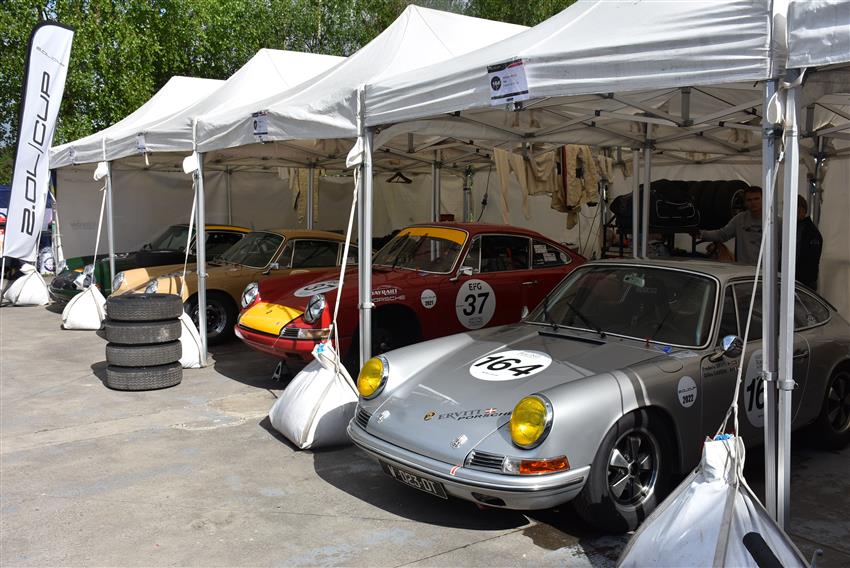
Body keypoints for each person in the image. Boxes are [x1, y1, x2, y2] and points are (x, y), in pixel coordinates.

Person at [696, 186, 762, 264]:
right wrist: (700, 233)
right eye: (749, 200)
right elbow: (722, 234)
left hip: (767, 270)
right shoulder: (740, 219)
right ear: (745, 202)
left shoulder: (773, 221)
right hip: (744, 269)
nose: (753, 203)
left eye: (756, 199)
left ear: (764, 199)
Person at [796, 195, 823, 290]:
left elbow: (811, 261)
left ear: (803, 210)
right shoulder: (796, 228)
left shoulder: (811, 232)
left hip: (804, 282)